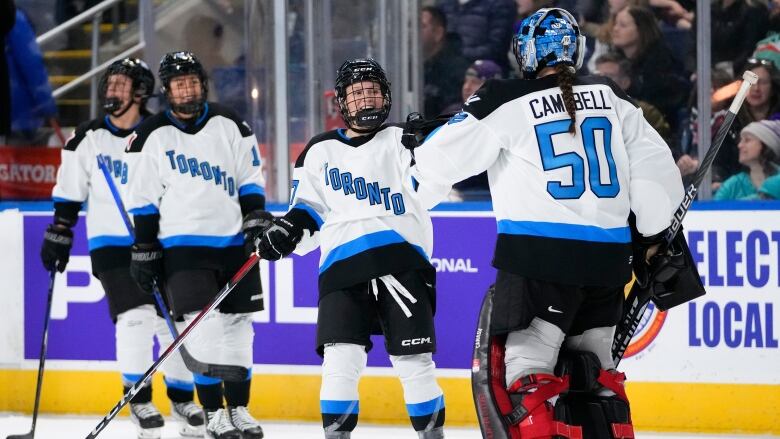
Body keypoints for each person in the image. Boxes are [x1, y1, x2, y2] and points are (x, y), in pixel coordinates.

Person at [410, 8, 683, 438]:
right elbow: (657, 174)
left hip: (539, 262)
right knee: (599, 376)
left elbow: (437, 162)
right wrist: (651, 234)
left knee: (529, 376)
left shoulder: (504, 97)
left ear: (527, 53)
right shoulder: (612, 97)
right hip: (608, 265)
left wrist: (414, 169)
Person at [256, 58, 446, 439]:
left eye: (372, 90)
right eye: (357, 93)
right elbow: (308, 213)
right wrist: (288, 232)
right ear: (342, 102)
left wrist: (429, 154)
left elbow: (433, 193)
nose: (366, 99)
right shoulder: (319, 151)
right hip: (342, 267)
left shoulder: (402, 141)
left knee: (414, 361)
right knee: (340, 361)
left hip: (402, 262)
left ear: (387, 96)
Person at [41, 58, 204, 439]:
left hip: (160, 238)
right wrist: (60, 231)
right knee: (135, 316)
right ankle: (139, 396)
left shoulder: (159, 132)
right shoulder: (88, 137)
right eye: (109, 85)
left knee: (174, 322)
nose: (111, 92)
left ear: (141, 93)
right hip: (111, 244)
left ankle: (182, 397)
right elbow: (69, 191)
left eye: (120, 85)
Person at [123, 51, 269, 439]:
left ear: (202, 84)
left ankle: (238, 409)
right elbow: (143, 199)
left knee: (239, 329)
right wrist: (144, 246)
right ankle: (213, 414)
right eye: (178, 83)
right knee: (201, 332)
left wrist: (255, 217)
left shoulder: (231, 124)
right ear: (167, 90)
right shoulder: (151, 135)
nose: (186, 88)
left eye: (191, 81)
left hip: (235, 244)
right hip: (183, 249)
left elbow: (250, 178)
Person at [5, 6, 57, 144]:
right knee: (26, 162)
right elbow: (31, 65)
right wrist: (48, 107)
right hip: (21, 115)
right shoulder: (15, 19)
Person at [422, 6, 471, 118]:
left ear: (438, 33)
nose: (413, 32)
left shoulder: (457, 69)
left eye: (422, 26)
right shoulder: (410, 66)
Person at [715, 120, 780, 200]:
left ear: (765, 144)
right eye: (740, 140)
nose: (739, 145)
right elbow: (714, 210)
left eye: (747, 140)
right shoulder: (731, 185)